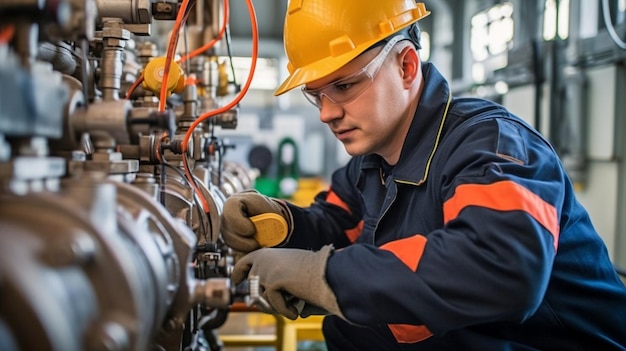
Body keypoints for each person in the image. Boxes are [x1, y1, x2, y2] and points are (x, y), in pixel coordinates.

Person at [220, 0, 626, 350]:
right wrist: (280, 225)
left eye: (343, 86)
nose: (326, 113)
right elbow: (335, 225)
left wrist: (320, 275)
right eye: (316, 95)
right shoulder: (370, 162)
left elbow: (501, 269)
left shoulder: (491, 146)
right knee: (350, 331)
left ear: (406, 66)